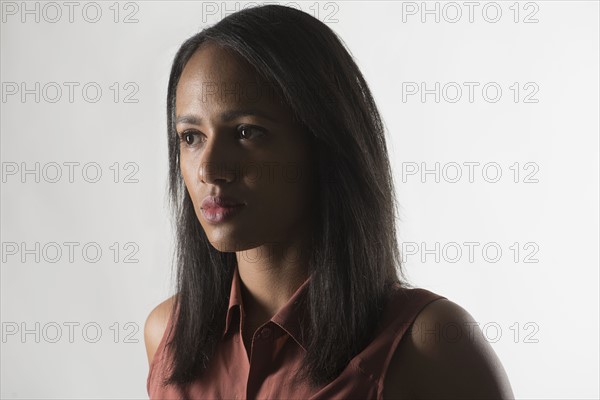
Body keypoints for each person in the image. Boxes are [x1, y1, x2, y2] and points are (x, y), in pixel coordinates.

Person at [144, 4, 515, 399]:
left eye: (247, 132)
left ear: (323, 142)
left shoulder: (431, 346)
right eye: (191, 137)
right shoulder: (166, 335)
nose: (209, 169)